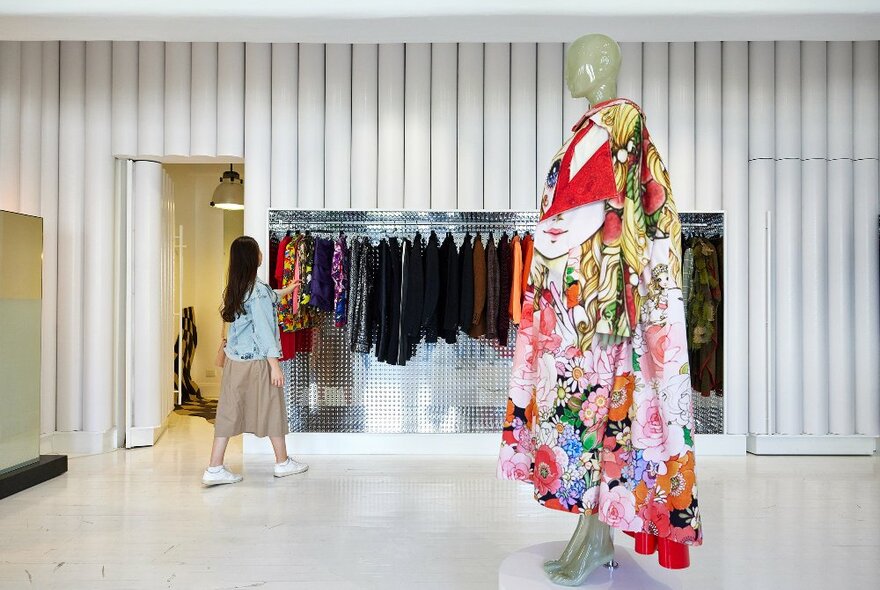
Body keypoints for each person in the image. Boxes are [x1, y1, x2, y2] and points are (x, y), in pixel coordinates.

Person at [202, 236, 308, 486]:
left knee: (228, 412)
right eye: (259, 251)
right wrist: (275, 366)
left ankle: (214, 467)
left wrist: (288, 290)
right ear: (254, 258)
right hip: (258, 363)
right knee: (272, 407)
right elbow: (264, 330)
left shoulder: (239, 287)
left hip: (235, 362)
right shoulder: (257, 291)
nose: (262, 253)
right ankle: (282, 462)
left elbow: (266, 298)